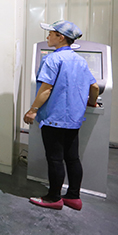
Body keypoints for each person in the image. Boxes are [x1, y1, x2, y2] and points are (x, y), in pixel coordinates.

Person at [24, 20, 99, 211]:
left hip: (54, 118)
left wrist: (33, 110)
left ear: (61, 37)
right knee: (72, 158)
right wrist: (92, 103)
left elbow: (46, 89)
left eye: (51, 33)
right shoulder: (80, 61)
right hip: (74, 119)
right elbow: (94, 87)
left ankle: (53, 198)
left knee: (55, 159)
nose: (47, 36)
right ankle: (74, 197)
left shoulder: (52, 59)